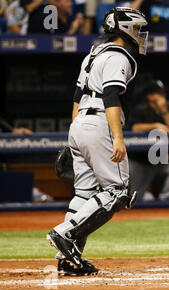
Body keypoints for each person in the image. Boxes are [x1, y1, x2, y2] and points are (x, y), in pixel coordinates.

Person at [46, 7, 148, 276]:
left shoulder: (94, 52)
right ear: (124, 29)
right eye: (137, 29)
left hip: (80, 122)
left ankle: (67, 259)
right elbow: (111, 96)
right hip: (101, 121)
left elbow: (78, 97)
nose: (140, 34)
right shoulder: (119, 56)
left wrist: (76, 135)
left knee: (85, 194)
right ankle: (64, 233)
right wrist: (117, 137)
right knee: (117, 192)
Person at [127, 79, 169, 201]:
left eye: (162, 93)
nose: (162, 96)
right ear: (150, 95)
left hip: (160, 159)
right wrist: (155, 126)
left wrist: (164, 112)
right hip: (140, 160)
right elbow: (134, 128)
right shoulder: (140, 108)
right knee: (136, 197)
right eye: (158, 93)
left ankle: (165, 200)